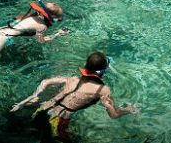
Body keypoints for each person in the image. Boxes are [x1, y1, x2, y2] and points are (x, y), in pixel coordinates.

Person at [11, 51, 139, 142]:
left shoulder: (72, 79)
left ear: (85, 67)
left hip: (41, 109)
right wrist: (128, 110)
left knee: (32, 132)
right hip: (59, 120)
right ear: (105, 71)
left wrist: (35, 96)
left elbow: (45, 81)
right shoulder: (103, 90)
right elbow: (114, 115)